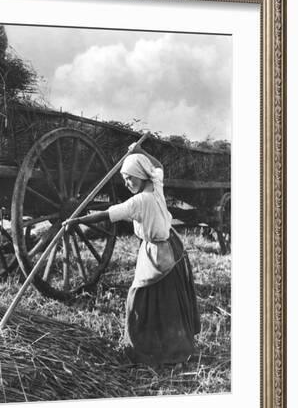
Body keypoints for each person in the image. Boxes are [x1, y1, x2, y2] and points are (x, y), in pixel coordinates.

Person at [63, 144, 200, 366]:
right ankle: (171, 344)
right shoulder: (156, 185)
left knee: (141, 297)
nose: (127, 184)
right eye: (125, 179)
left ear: (140, 175)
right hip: (170, 246)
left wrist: (77, 221)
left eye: (129, 178)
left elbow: (108, 214)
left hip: (159, 252)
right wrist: (141, 150)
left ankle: (152, 348)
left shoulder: (139, 201)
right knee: (164, 296)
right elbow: (158, 165)